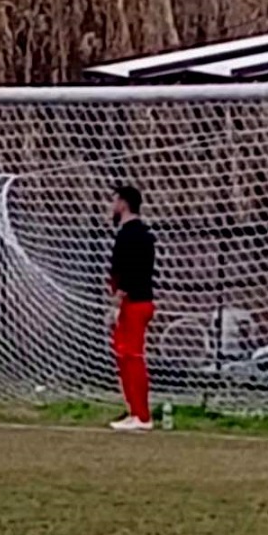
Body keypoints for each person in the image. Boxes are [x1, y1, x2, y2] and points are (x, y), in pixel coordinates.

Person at [107, 184, 156, 432]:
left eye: (114, 201)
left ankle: (142, 415)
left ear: (123, 203)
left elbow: (129, 269)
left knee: (132, 357)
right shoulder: (140, 234)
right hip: (136, 301)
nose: (111, 206)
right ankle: (134, 410)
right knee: (124, 356)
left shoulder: (131, 235)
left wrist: (118, 299)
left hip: (134, 303)